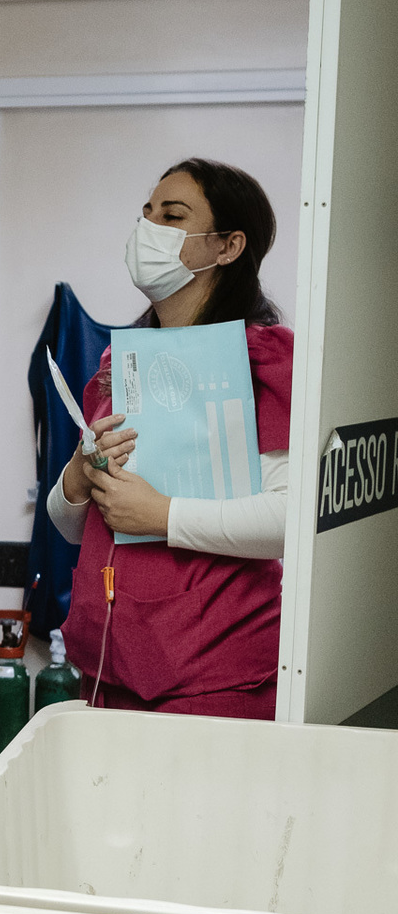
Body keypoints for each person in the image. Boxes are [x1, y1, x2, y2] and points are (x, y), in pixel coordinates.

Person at [48, 158, 293, 717]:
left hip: (213, 675)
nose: (149, 229)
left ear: (228, 247)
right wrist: (78, 477)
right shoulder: (122, 365)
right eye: (147, 214)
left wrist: (161, 516)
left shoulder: (261, 362)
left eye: (173, 216)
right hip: (112, 670)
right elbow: (73, 528)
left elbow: (288, 521)